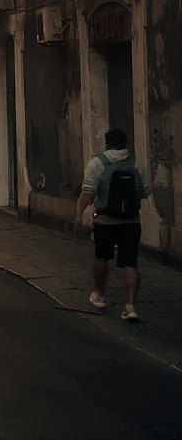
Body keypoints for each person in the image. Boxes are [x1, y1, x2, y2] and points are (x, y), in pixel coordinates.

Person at [74, 127, 148, 321]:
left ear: (107, 144)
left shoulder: (98, 163)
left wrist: (79, 215)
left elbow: (87, 193)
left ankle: (99, 294)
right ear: (126, 144)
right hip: (131, 221)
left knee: (101, 257)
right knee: (131, 262)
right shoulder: (137, 163)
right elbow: (145, 191)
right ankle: (130, 305)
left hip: (105, 221)